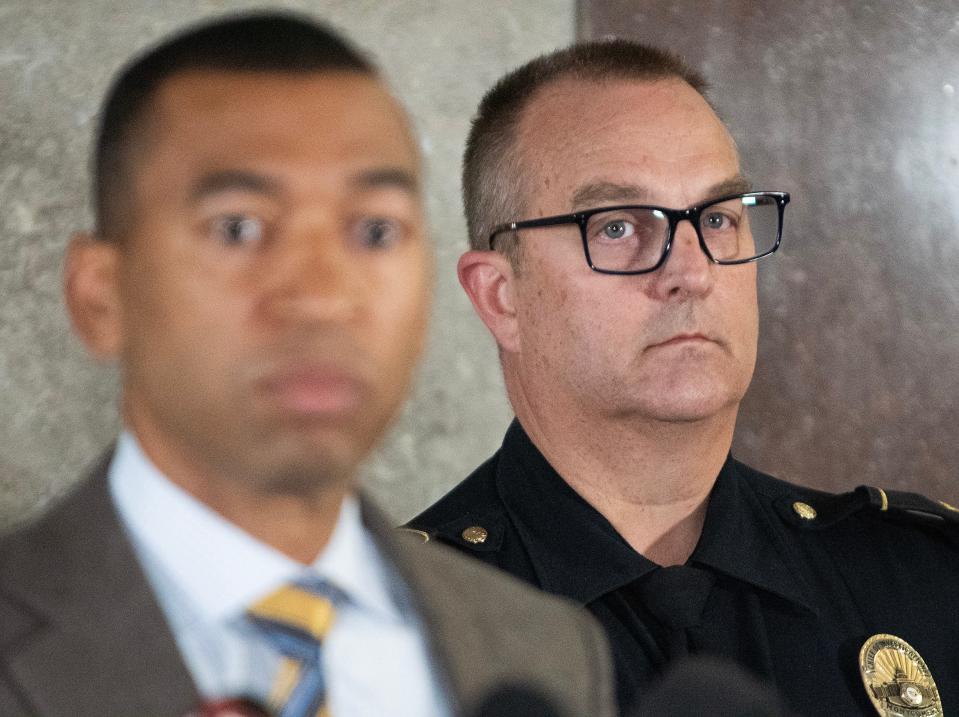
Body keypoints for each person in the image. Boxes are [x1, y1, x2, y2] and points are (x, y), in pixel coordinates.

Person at [0, 14, 615, 717]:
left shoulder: (545, 652)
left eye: (374, 230)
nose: (322, 297)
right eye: (239, 227)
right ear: (100, 296)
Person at [409, 39, 959, 716]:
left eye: (718, 218)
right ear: (500, 296)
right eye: (615, 226)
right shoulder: (393, 634)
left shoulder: (922, 582)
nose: (691, 271)